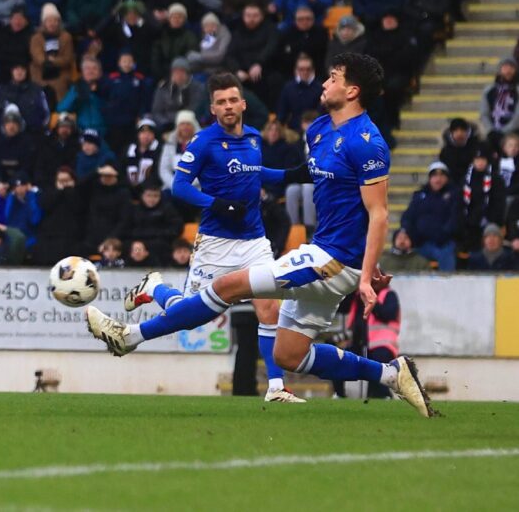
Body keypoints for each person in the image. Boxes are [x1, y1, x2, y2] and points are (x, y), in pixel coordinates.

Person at [86, 54, 435, 418]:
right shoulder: (318, 130)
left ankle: (129, 336)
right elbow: (330, 195)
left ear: (352, 90)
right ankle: (390, 374)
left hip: (333, 260)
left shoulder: (368, 142)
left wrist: (365, 272)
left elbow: (377, 212)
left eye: (333, 78)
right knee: (289, 354)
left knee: (228, 288)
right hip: (325, 253)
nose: (324, 83)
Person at [121, 72, 304, 403]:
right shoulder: (204, 141)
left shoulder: (252, 137)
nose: (228, 106)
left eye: (233, 100)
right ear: (213, 108)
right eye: (221, 102)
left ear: (243, 103)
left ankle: (276, 387)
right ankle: (155, 288)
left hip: (254, 241)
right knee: (188, 318)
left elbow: (255, 171)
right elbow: (178, 186)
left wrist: (292, 175)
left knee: (268, 307)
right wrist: (216, 203)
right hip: (215, 243)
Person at [401, 161, 461, 271]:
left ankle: (447, 285)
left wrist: (443, 235)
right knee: (405, 254)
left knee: (446, 255)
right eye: (434, 176)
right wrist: (409, 233)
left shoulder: (454, 195)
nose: (438, 179)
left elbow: (455, 219)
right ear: (429, 178)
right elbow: (408, 217)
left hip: (443, 243)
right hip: (421, 242)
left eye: (442, 176)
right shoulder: (419, 196)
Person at [29, 3, 74, 103]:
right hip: (40, 74)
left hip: (60, 75)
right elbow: (37, 56)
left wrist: (54, 61)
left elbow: (67, 58)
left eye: (55, 20)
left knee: (60, 87)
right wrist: (46, 62)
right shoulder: (36, 38)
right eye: (49, 21)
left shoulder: (66, 37)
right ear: (44, 22)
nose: (52, 23)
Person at [151, 57, 206, 132]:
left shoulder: (198, 88)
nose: (179, 75)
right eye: (176, 72)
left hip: (190, 124)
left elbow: (196, 108)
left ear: (188, 73)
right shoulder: (163, 88)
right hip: (168, 126)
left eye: (182, 71)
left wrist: (181, 121)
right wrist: (166, 124)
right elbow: (157, 111)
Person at [276, 54, 323, 131]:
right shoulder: (288, 88)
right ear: (296, 70)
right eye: (301, 69)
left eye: (308, 69)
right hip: (293, 131)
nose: (305, 72)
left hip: (315, 129)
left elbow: (321, 113)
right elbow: (281, 113)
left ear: (312, 70)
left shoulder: (320, 88)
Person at [479, 57, 519, 142]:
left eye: (511, 68)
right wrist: (490, 130)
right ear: (499, 70)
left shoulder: (517, 90)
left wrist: (505, 131)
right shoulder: (489, 90)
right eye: (505, 67)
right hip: (493, 133)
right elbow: (484, 113)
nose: (508, 71)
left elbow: (517, 116)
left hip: (514, 134)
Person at [439, 117, 482, 185]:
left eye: (462, 130)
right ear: (451, 133)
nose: (459, 133)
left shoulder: (477, 149)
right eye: (456, 130)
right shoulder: (445, 151)